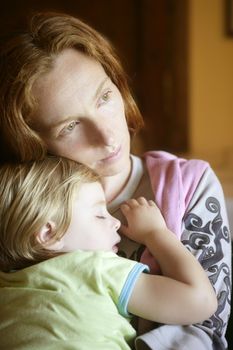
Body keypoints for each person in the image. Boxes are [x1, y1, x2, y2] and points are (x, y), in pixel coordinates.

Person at [0, 11, 231, 350]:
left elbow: (204, 326)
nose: (108, 137)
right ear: (33, 143)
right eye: (69, 126)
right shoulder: (19, 212)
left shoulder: (188, 185)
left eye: (104, 97)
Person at [0, 156, 217, 350]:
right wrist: (155, 233)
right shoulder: (94, 267)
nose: (114, 222)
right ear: (50, 233)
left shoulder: (6, 286)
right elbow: (201, 302)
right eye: (99, 215)